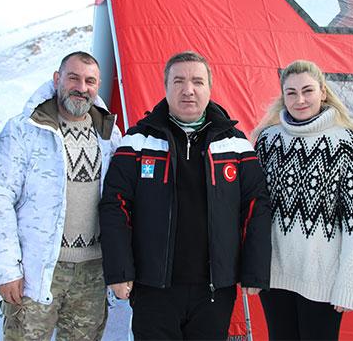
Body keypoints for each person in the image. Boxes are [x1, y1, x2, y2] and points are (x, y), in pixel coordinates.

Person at [99, 50, 271, 340]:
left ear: (209, 88)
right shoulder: (138, 139)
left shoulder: (235, 144)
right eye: (178, 81)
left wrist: (254, 268)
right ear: (165, 86)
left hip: (215, 291)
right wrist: (119, 270)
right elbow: (115, 205)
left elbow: (256, 206)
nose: (188, 90)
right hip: (153, 288)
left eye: (197, 81)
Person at [0, 51, 122, 341]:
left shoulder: (110, 134)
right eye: (73, 78)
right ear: (57, 79)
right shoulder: (24, 129)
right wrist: (8, 269)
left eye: (90, 81)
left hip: (92, 272)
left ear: (97, 87)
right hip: (38, 269)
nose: (81, 88)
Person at [251, 60, 353, 340]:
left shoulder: (346, 143)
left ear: (324, 92)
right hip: (274, 277)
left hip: (324, 281)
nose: (300, 99)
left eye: (308, 90)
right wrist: (252, 269)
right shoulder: (267, 140)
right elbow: (255, 212)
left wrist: (349, 284)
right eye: (291, 93)